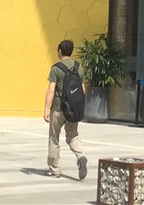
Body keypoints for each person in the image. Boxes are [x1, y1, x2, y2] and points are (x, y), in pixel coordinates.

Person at [43, 39, 88, 180]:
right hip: (73, 109)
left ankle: (54, 169)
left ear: (60, 51)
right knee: (73, 136)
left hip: (58, 108)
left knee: (54, 138)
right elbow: (82, 90)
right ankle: (81, 156)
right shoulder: (79, 68)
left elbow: (51, 90)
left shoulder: (56, 69)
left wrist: (46, 109)